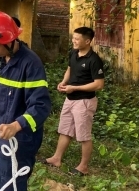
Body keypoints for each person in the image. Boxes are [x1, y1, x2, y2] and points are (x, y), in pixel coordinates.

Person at [0, 11, 51, 191]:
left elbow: (40, 106)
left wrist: (16, 126)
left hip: (19, 137)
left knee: (9, 183)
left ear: (10, 41)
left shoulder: (31, 64)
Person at [43, 27, 104, 176]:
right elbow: (69, 69)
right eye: (73, 38)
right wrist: (64, 82)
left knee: (83, 135)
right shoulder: (74, 53)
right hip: (70, 99)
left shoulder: (94, 60)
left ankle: (83, 167)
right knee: (65, 130)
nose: (73, 41)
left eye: (77, 39)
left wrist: (75, 88)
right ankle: (56, 158)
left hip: (84, 102)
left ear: (87, 41)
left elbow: (99, 84)